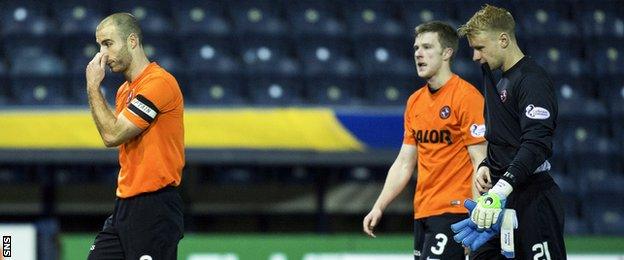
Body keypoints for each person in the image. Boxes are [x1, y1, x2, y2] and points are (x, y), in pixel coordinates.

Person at [362, 21, 487, 259]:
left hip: (456, 212)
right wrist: (379, 206)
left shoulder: (467, 97)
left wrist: (476, 218)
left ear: (447, 53)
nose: (419, 53)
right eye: (416, 48)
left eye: (427, 47)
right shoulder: (415, 102)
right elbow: (404, 162)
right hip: (423, 212)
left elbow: (479, 161)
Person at [456, 4, 566, 259]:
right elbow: (503, 134)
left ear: (503, 39)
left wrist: (501, 188)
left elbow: (536, 144)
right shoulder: (494, 75)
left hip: (532, 198)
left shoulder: (532, 80)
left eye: (480, 48)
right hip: (498, 199)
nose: (475, 57)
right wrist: (487, 163)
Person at [85, 13, 185, 259]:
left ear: (132, 41)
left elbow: (112, 135)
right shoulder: (124, 91)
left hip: (155, 207)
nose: (102, 54)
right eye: (99, 45)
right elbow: (113, 131)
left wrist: (92, 87)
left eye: (108, 44)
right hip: (125, 205)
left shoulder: (159, 83)